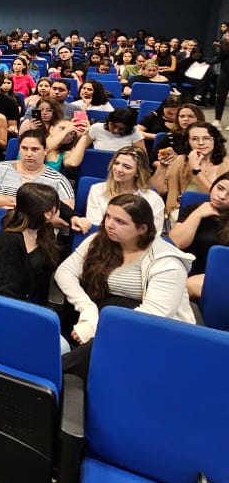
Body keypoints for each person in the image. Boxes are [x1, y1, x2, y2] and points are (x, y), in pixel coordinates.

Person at [54, 194, 194, 377]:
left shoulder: (167, 263)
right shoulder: (100, 240)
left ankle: (50, 373)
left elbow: (153, 316)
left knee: (99, 347)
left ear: (142, 229)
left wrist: (99, 327)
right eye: (108, 217)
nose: (109, 225)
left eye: (120, 221)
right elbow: (64, 272)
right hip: (107, 315)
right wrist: (87, 309)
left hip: (150, 332)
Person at [0, 182, 63, 305]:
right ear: (47, 214)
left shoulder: (45, 230)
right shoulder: (11, 240)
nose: (59, 210)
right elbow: (6, 289)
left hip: (21, 296)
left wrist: (74, 217)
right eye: (55, 207)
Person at [70, 144, 165, 237]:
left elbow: (153, 235)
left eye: (127, 167)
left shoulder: (153, 200)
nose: (118, 169)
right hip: (104, 244)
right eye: (116, 163)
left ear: (138, 172)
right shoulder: (97, 190)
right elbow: (96, 228)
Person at [0, 131, 75, 213]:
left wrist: (12, 203)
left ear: (45, 151)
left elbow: (66, 217)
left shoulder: (58, 180)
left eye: (35, 149)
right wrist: (28, 204)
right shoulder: (1, 168)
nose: (29, 154)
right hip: (0, 223)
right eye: (24, 148)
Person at [168, 172, 229, 299]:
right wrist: (198, 214)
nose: (222, 196)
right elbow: (177, 242)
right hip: (184, 273)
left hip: (219, 278)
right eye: (220, 188)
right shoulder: (193, 208)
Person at [152, 122, 229, 216]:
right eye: (194, 139)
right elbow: (155, 191)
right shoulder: (180, 161)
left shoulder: (226, 165)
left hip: (219, 214)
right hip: (181, 213)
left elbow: (219, 197)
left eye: (206, 138)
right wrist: (162, 167)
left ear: (215, 141)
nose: (201, 143)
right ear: (188, 142)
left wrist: (196, 170)